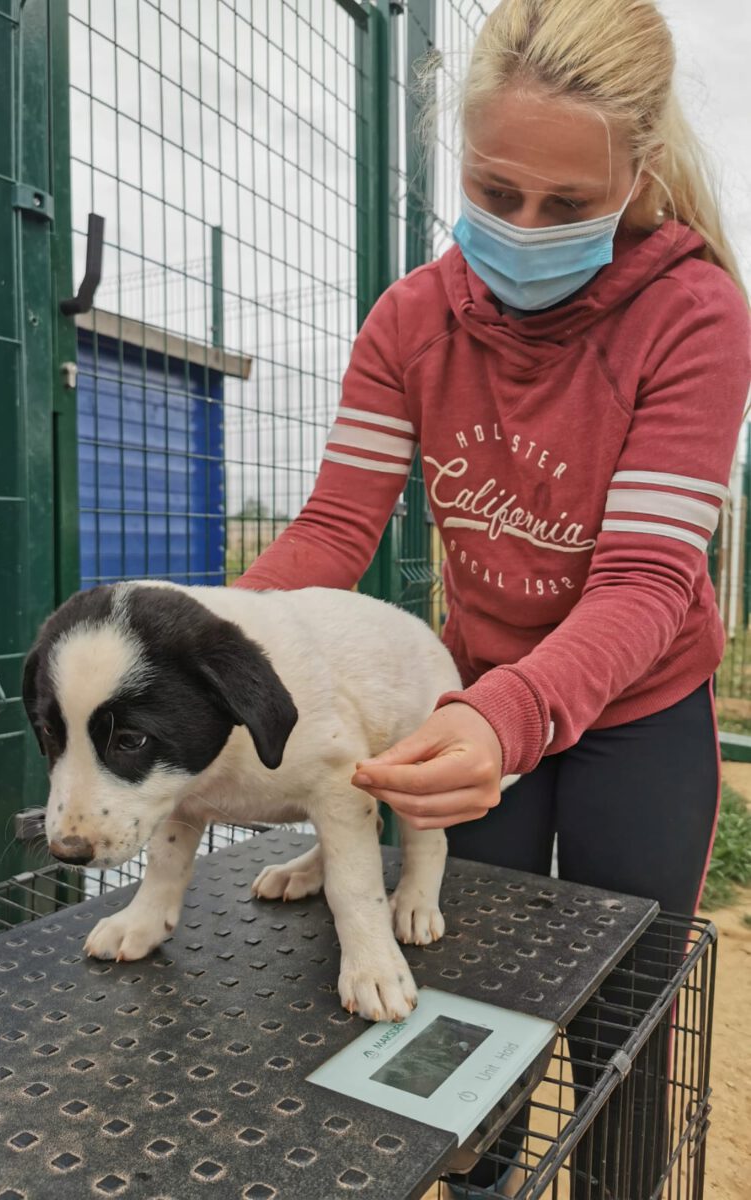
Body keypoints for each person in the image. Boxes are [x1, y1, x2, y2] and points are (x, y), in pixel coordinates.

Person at [235, 0, 750, 1195]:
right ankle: (484, 1180)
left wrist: (502, 717)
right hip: (469, 693)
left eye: (568, 206)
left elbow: (642, 581)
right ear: (460, 160)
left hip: (636, 706)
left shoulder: (696, 315)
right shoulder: (412, 319)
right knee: (470, 995)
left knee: (628, 1013)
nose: (522, 229)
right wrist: (207, 633)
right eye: (495, 190)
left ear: (638, 173)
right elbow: (336, 529)